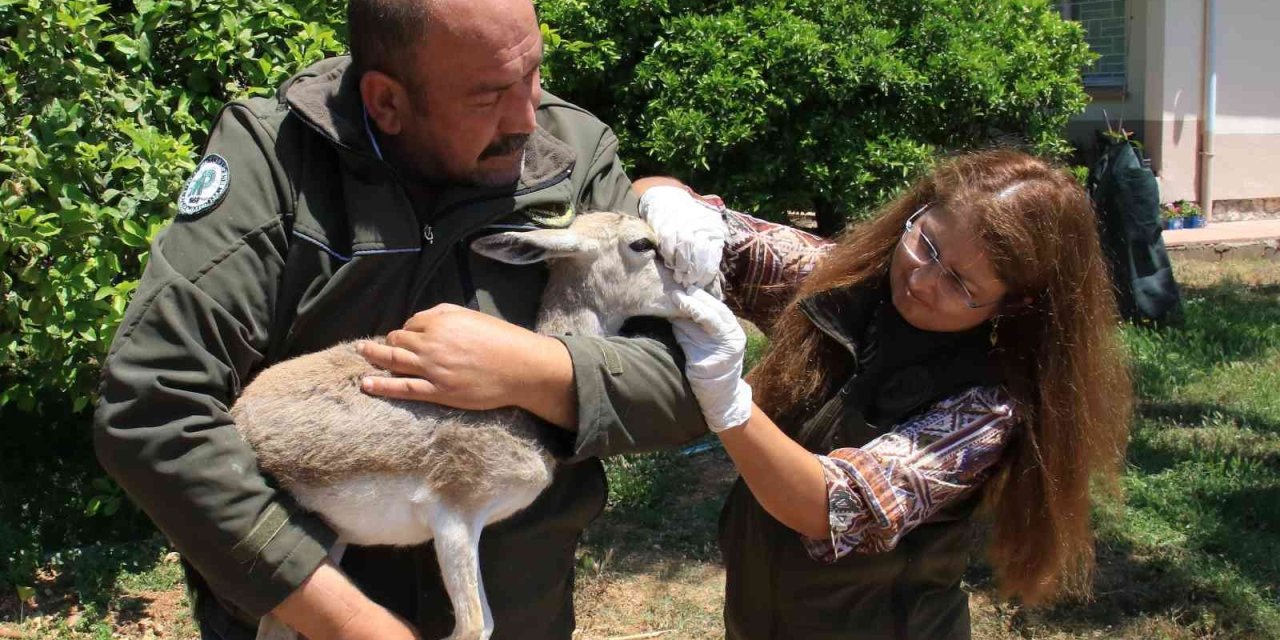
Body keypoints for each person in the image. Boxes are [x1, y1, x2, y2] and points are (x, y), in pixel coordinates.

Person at [92, 0, 738, 637]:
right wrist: (347, 623)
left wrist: (533, 369)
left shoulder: (576, 152)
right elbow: (151, 401)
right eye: (488, 96)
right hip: (302, 618)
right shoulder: (276, 159)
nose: (526, 117)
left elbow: (688, 382)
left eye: (533, 73)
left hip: (521, 615)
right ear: (387, 102)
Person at [667, 149, 1134, 639]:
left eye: (960, 282)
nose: (922, 280)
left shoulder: (986, 410)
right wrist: (668, 203)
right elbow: (683, 215)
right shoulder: (834, 282)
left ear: (1014, 304)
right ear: (918, 210)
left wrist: (728, 400)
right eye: (927, 244)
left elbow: (831, 507)